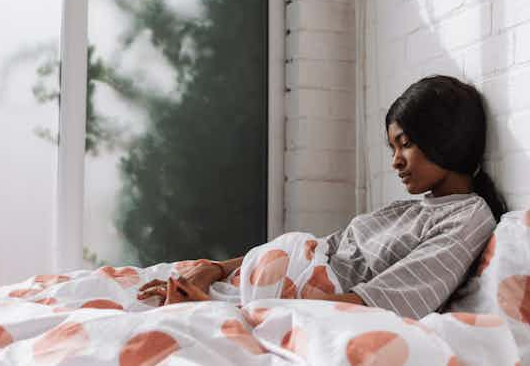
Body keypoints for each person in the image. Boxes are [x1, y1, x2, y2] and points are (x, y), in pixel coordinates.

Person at [138, 75, 506, 319]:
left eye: (405, 145)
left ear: (445, 137)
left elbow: (379, 305)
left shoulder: (468, 218)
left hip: (271, 304)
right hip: (250, 288)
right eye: (392, 147)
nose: (395, 161)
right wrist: (215, 269)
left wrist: (223, 313)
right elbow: (326, 246)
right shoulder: (414, 207)